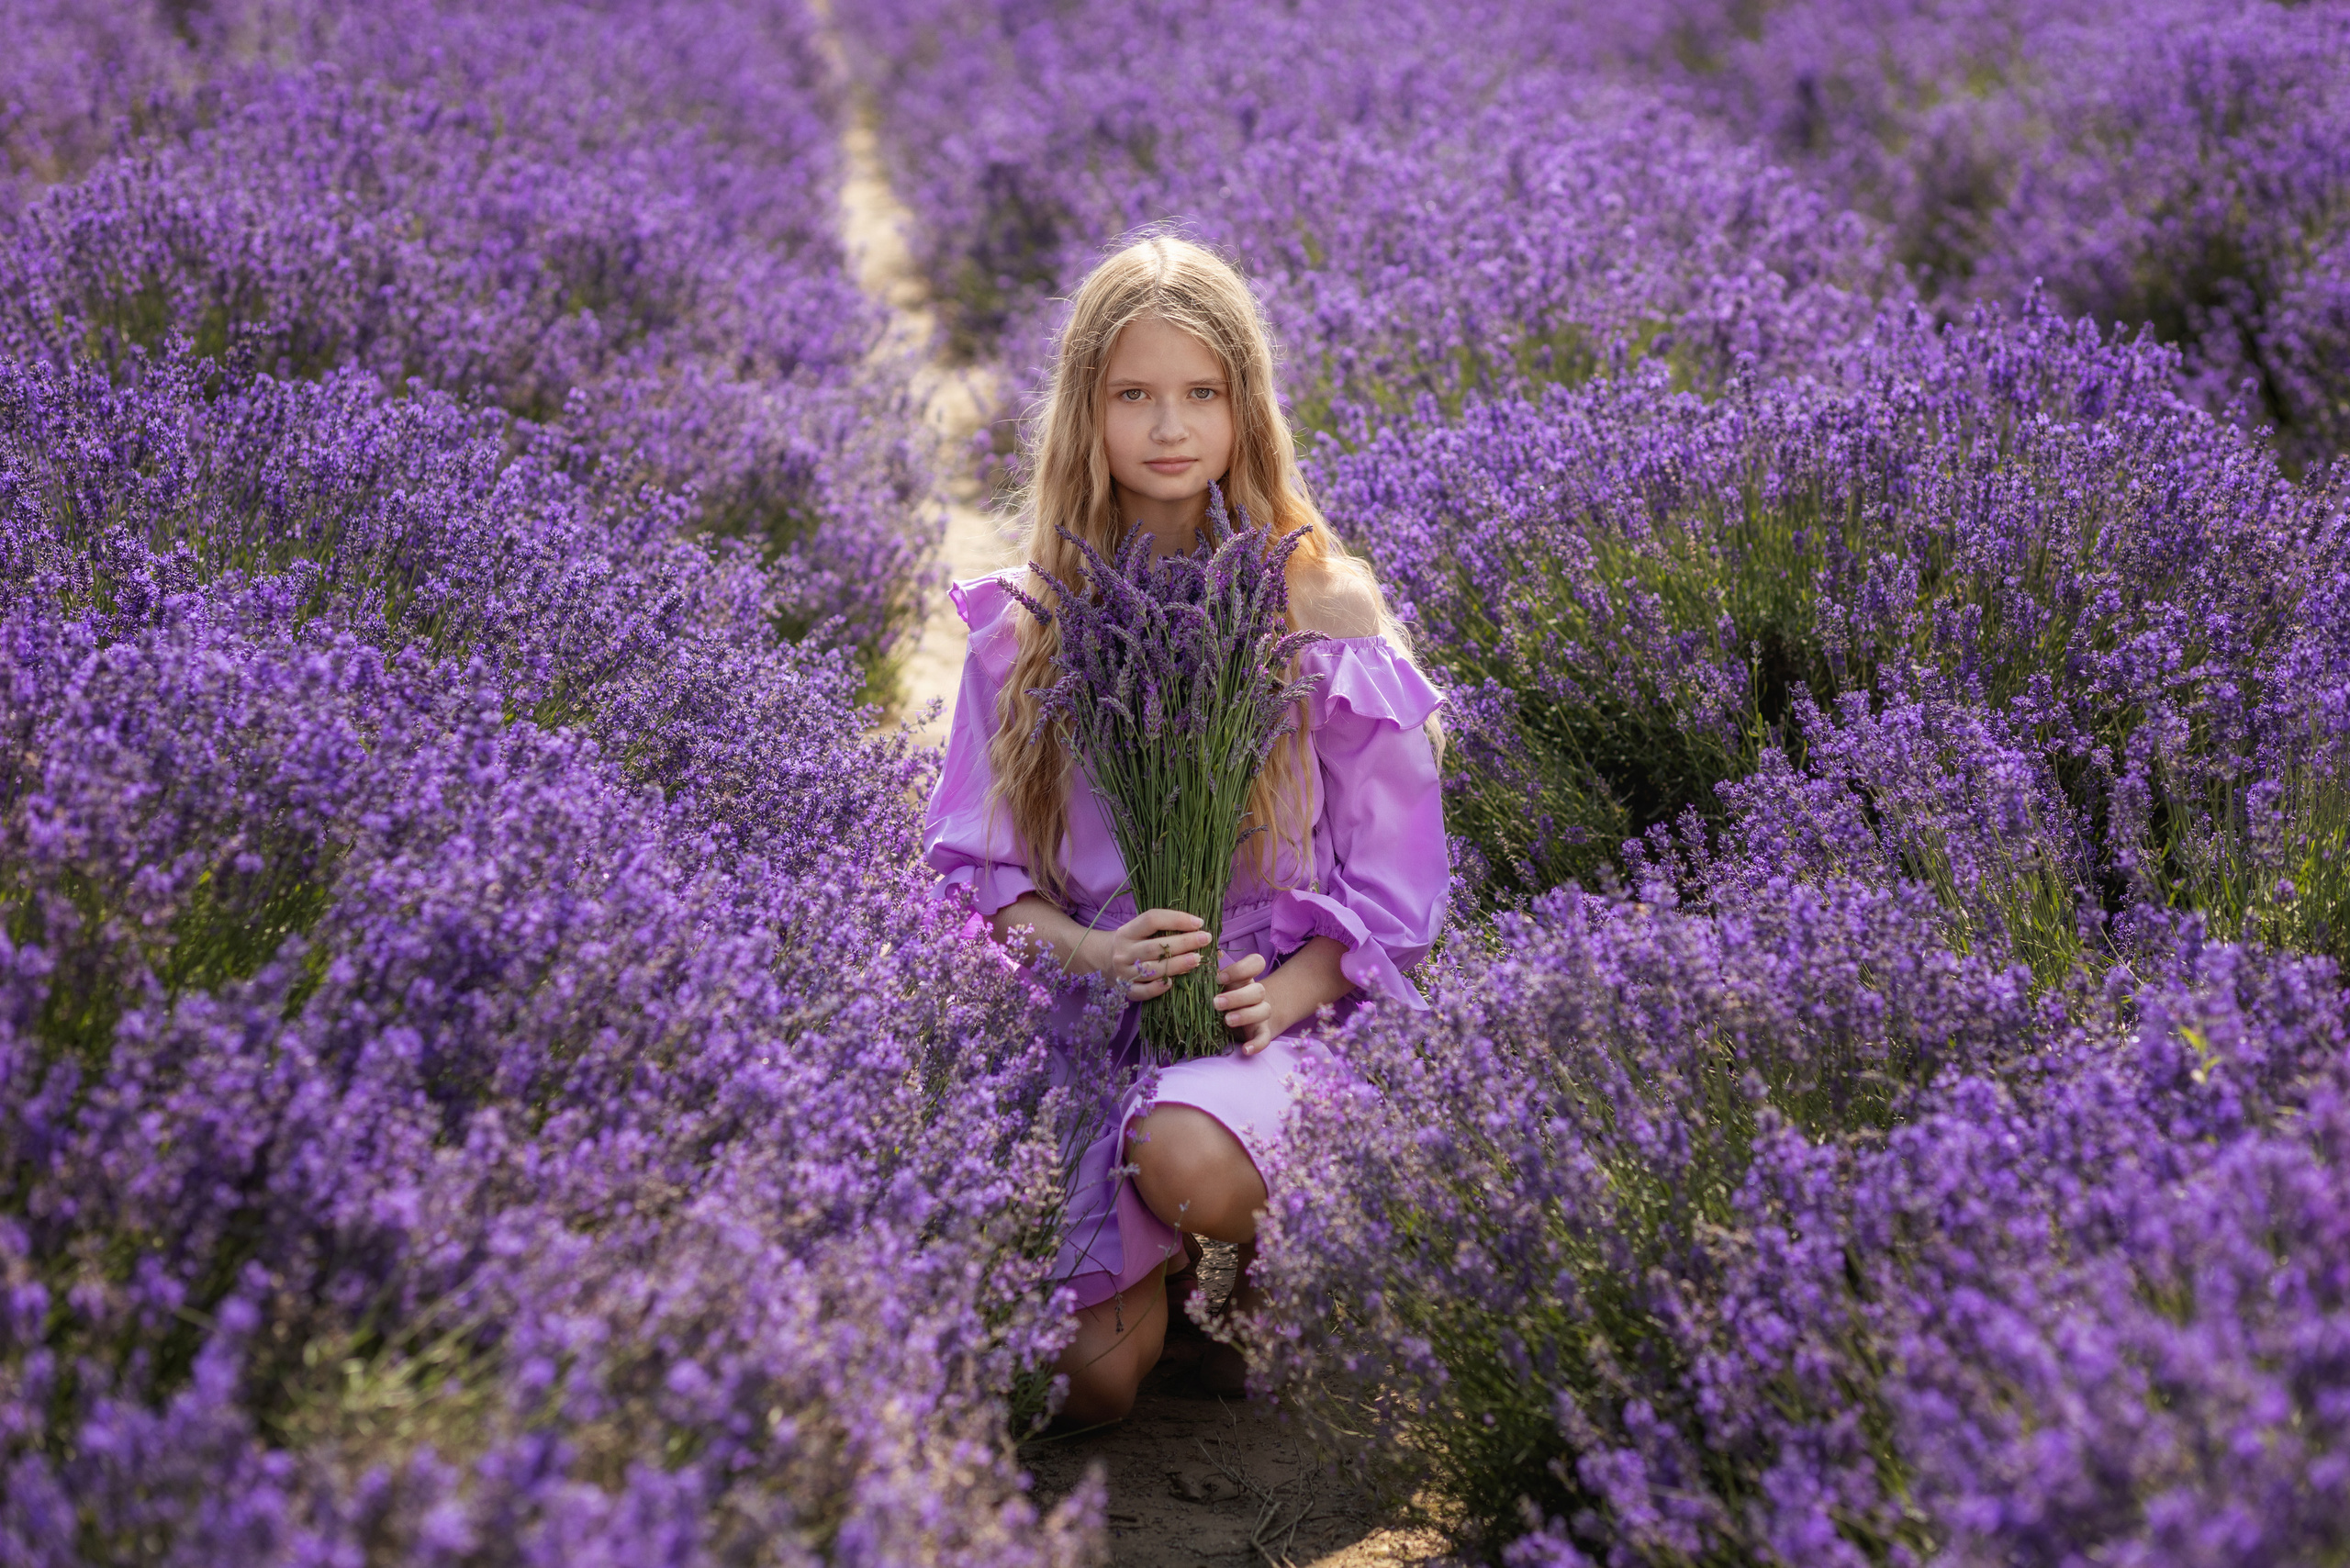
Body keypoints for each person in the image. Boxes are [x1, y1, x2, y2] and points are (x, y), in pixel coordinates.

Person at [923, 233, 1447, 1426]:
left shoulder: (1319, 607)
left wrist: (1293, 988)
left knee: (1189, 1160)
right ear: (1086, 414)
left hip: (1282, 1013)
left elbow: (1400, 878)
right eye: (1135, 396)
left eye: (1202, 394)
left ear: (1244, 408)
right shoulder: (1023, 624)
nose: (1170, 426)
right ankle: (1158, 1284)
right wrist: (1095, 956)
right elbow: (983, 877)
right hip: (1095, 1012)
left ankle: (1267, 1253)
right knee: (1098, 1389)